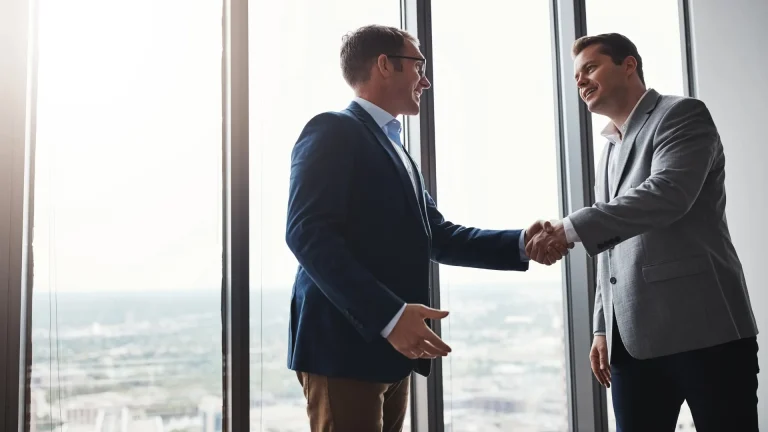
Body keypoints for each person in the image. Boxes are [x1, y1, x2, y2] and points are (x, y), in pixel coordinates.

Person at [285, 24, 566, 432]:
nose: (426, 80)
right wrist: (390, 316)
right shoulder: (332, 129)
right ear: (385, 65)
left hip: (390, 349)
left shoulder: (395, 147)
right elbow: (306, 233)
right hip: (343, 347)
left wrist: (521, 243)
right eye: (419, 66)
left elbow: (436, 234)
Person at [527, 33, 759, 431]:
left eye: (590, 68)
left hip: (706, 332)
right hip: (631, 343)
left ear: (628, 65)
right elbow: (612, 247)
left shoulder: (681, 114)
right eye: (576, 74)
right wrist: (604, 326)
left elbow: (667, 195)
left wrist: (568, 229)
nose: (580, 80)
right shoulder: (610, 150)